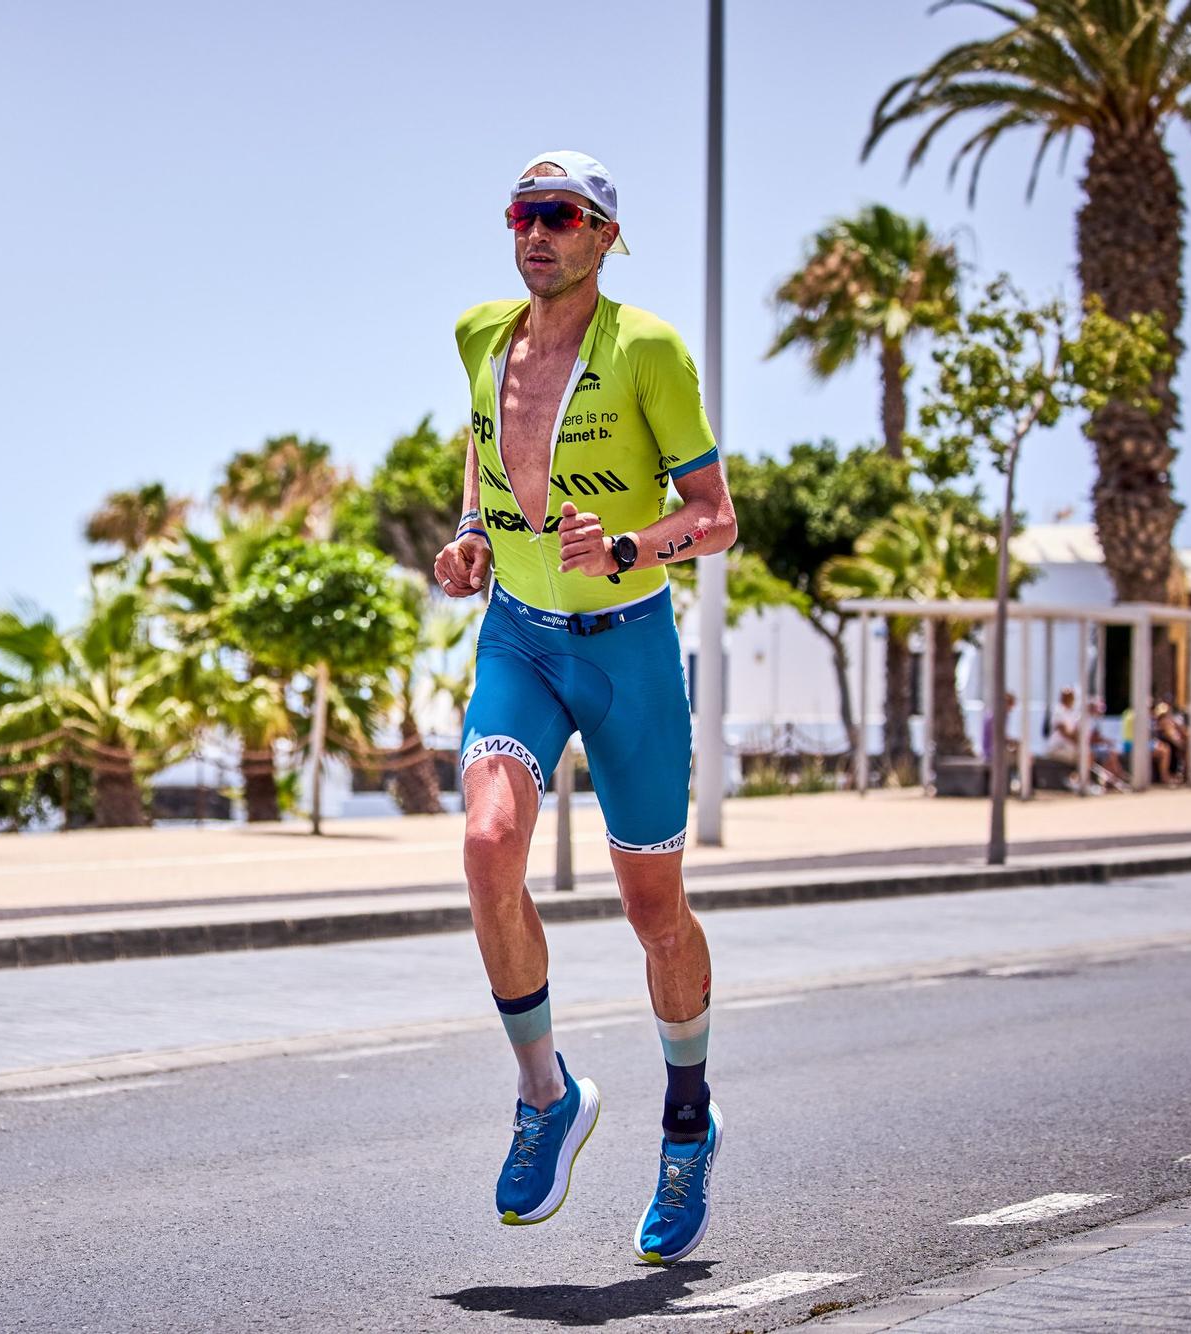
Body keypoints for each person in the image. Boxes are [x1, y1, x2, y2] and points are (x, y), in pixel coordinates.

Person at [433, 151, 737, 1265]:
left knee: (652, 912)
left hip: (628, 651)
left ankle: (687, 1121)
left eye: (560, 217)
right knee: (484, 844)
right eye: (522, 214)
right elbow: (480, 458)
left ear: (605, 236)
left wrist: (626, 545)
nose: (536, 233)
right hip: (519, 636)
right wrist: (468, 539)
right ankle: (543, 1093)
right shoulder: (477, 334)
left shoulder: (647, 348)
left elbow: (714, 516)